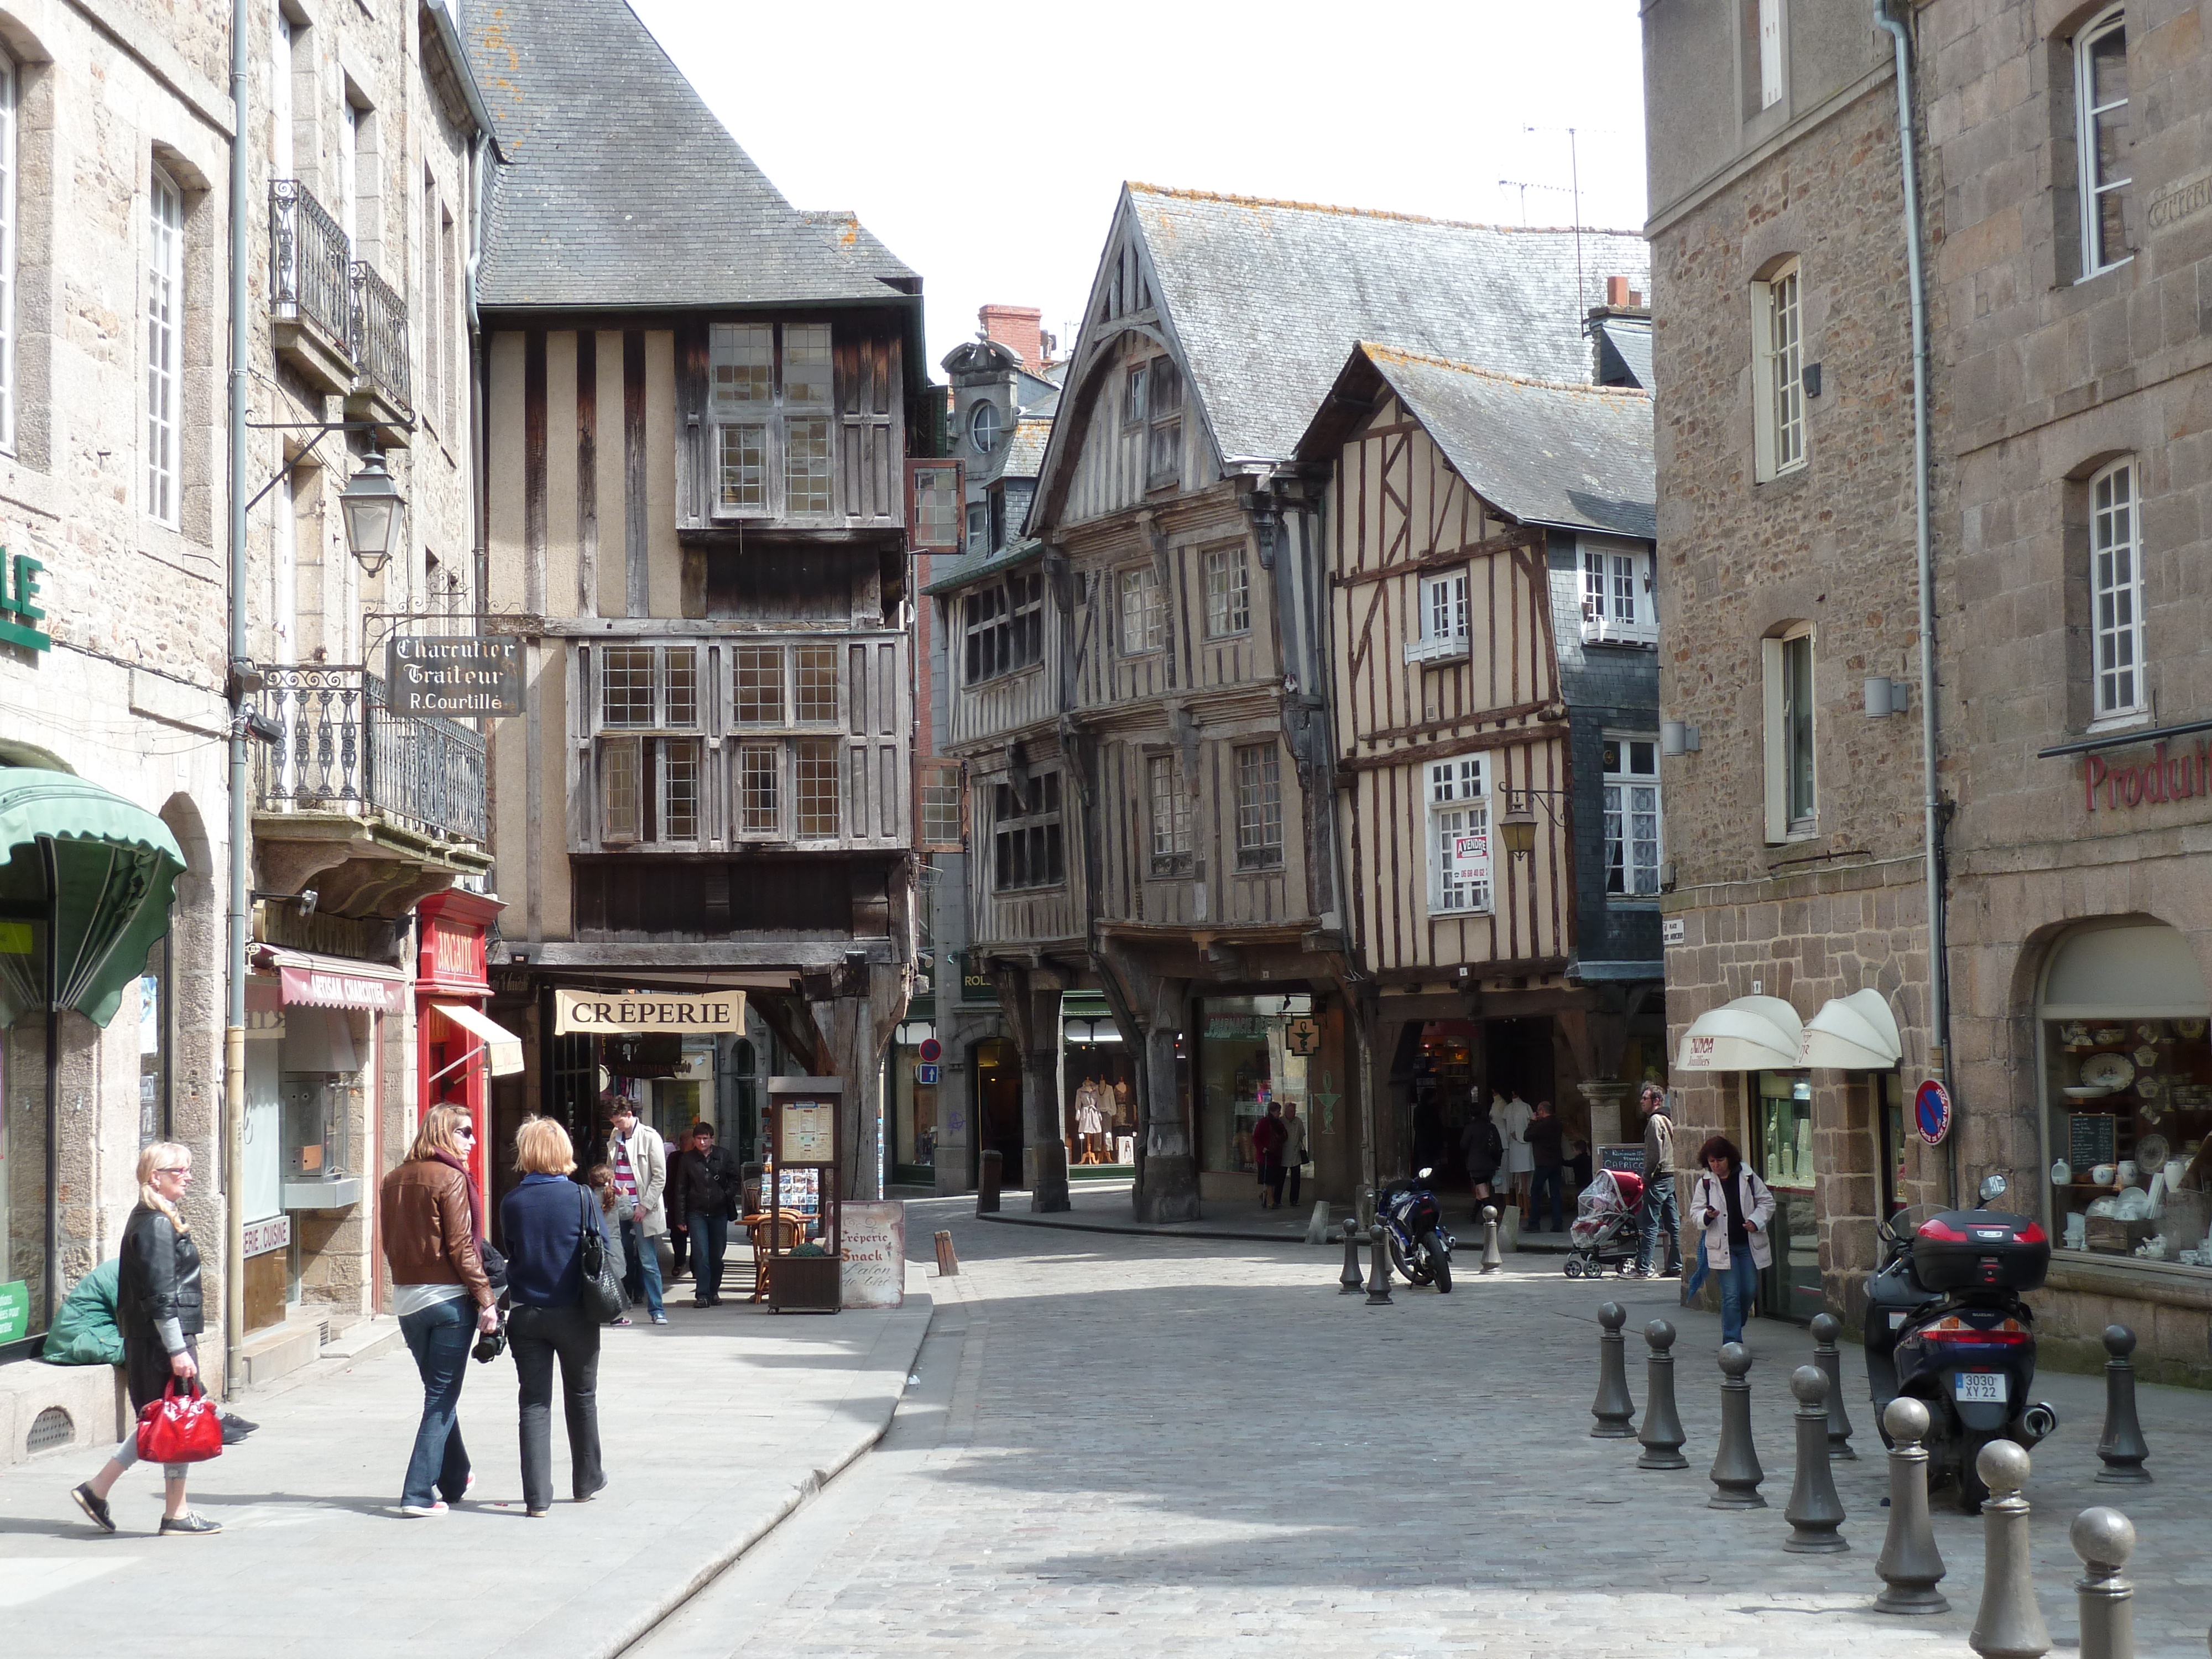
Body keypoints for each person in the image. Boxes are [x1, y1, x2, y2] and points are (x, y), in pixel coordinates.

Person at [70, 1143, 220, 1536]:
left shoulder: (158, 1217)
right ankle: (168, 1511)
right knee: (172, 1419)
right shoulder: (155, 1223)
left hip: (156, 1338)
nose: (188, 1176)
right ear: (155, 1176)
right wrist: (177, 1349)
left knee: (168, 1419)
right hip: (160, 1340)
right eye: (179, 1171)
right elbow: (159, 1294)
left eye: (188, 1169)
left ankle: (113, 1494)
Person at [378, 1104, 500, 1517]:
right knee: (441, 1398)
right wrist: (487, 1299)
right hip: (449, 1300)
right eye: (465, 1132)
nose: (472, 1140)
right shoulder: (451, 1179)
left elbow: (389, 1242)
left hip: (408, 1301)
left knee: (439, 1393)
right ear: (445, 1134)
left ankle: (455, 1475)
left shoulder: (393, 1180)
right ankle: (417, 1492)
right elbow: (463, 1248)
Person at [500, 1118, 606, 1516]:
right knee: (582, 1396)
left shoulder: (512, 1202)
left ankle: (537, 1498)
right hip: (576, 1312)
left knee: (533, 1403)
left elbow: (512, 1247)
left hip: (527, 1312)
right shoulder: (581, 1197)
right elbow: (605, 1251)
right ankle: (586, 1480)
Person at [1687, 1135, 1776, 1344]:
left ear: (1730, 1159)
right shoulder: (1706, 1183)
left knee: (1749, 1291)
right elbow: (1695, 1212)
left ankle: (1736, 1323)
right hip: (1722, 1246)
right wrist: (1707, 1216)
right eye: (1712, 1162)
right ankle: (1732, 1341)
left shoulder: (1747, 1176)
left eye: (1720, 1160)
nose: (1716, 1166)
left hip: (1747, 1245)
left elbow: (1767, 1202)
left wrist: (1755, 1221)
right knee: (1731, 1295)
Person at [603, 1097, 668, 1325]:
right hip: (618, 1206)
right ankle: (619, 1307)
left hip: (642, 1208)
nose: (617, 1126)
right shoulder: (615, 1137)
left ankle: (657, 1309)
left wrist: (644, 1206)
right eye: (614, 1122)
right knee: (618, 1258)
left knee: (648, 1259)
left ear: (629, 1114)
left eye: (619, 1121)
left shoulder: (650, 1137)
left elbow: (660, 1177)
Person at [669, 1120, 741, 1307]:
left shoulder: (723, 1156)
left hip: (719, 1211)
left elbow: (735, 1180)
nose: (702, 1143)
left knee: (716, 1254)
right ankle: (702, 1294)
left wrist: (725, 1196)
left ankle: (713, 1291)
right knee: (701, 1253)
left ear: (712, 1139)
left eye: (706, 1139)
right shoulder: (688, 1159)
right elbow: (681, 1189)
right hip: (696, 1212)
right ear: (694, 1140)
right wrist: (680, 1217)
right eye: (699, 1139)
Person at [1636, 1083, 1684, 1279]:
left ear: (1656, 1101)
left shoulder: (1656, 1120)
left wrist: (1646, 1177)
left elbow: (1654, 1154)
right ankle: (1676, 1265)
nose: (1641, 1101)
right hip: (1671, 1175)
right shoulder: (1669, 1117)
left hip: (1660, 1177)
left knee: (1650, 1223)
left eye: (1645, 1098)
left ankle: (1643, 1267)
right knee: (1673, 1224)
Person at [585, 1166, 632, 1327]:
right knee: (617, 1278)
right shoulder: (614, 1198)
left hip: (593, 1244)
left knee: (595, 1278)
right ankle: (616, 1316)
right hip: (613, 1243)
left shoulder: (587, 1199)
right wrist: (625, 1197)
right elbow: (627, 1214)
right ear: (611, 1181)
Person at [1526, 1100, 1567, 1232]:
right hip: (1556, 1162)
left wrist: (1532, 1122)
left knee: (1536, 1192)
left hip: (1543, 1162)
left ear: (1542, 1111)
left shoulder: (1542, 1125)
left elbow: (1527, 1136)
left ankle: (1534, 1223)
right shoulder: (1557, 1124)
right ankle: (1557, 1224)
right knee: (1555, 1193)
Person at [1459, 1103, 1504, 1220]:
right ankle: (1473, 1216)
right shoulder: (1491, 1127)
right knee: (1481, 1190)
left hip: (1476, 1163)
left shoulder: (1470, 1128)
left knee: (1482, 1189)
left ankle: (1491, 1215)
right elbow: (1499, 1145)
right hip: (1491, 1162)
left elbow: (1463, 1145)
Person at [1498, 1088, 1535, 1223]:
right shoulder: (1508, 1108)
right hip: (1513, 1145)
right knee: (1516, 1177)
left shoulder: (1526, 1107)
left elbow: (1532, 1121)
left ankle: (1526, 1207)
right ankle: (1520, 1206)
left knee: (1525, 1178)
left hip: (1524, 1145)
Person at [664, 1126, 695, 1285]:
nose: (681, 1144)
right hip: (677, 1203)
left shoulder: (699, 1157)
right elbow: (668, 1180)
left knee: (697, 1236)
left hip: (696, 1204)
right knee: (677, 1235)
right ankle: (679, 1262)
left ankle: (695, 1266)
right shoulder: (675, 1158)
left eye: (684, 1141)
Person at [1251, 1101, 1287, 1209]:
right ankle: (1272, 1202)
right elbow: (1256, 1138)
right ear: (1271, 1111)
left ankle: (1264, 1196)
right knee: (1270, 1180)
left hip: (1276, 1154)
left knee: (1274, 1179)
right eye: (1277, 1112)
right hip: (1266, 1155)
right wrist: (1262, 1148)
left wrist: (1281, 1138)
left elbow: (1285, 1135)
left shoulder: (1279, 1124)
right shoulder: (1264, 1123)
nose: (1279, 1114)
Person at [1279, 1101, 1309, 1209]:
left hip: (1295, 1153)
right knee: (1280, 1178)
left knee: (1296, 1179)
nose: (1293, 1113)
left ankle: (1294, 1200)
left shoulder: (1298, 1122)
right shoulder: (1281, 1121)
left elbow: (1302, 1136)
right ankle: (1277, 1199)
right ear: (1286, 1111)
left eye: (1294, 1111)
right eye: (1291, 1111)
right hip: (1283, 1153)